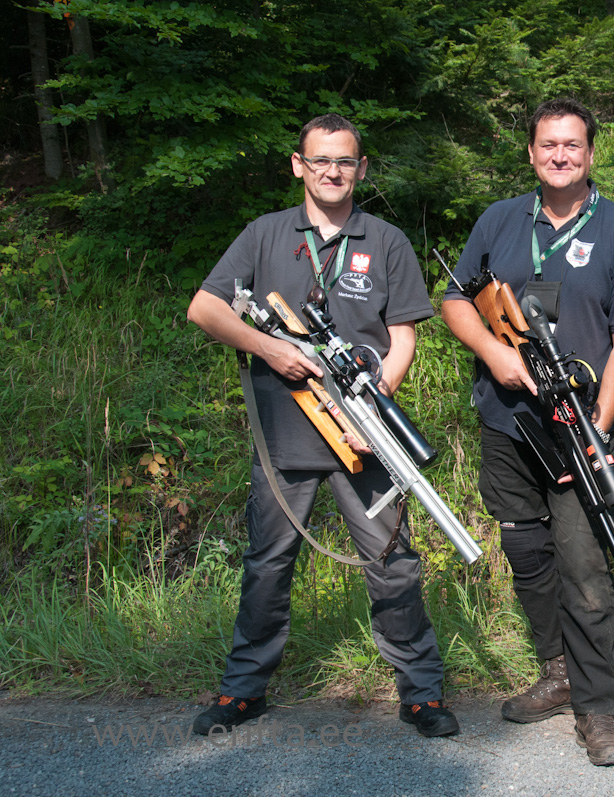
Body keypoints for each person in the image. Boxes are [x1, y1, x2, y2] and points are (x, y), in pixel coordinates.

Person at [186, 113, 459, 739]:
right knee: (267, 563)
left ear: (361, 169)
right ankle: (242, 691)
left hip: (365, 436)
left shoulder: (385, 240)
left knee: (394, 564)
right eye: (320, 161)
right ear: (298, 165)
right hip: (285, 433)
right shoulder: (264, 234)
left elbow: (403, 335)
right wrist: (270, 349)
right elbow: (206, 308)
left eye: (344, 162)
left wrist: (374, 402)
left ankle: (420, 693)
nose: (332, 172)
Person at [440, 98, 614, 766]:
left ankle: (598, 709)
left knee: (586, 564)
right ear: (530, 153)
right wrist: (496, 353)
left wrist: (595, 427)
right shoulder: (501, 219)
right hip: (505, 423)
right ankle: (557, 669)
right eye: (548, 145)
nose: (560, 155)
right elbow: (453, 299)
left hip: (576, 423)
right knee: (527, 549)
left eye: (573, 145)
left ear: (590, 154)